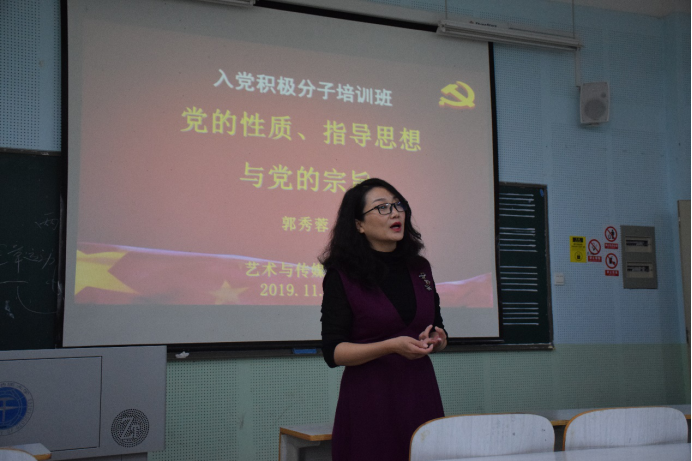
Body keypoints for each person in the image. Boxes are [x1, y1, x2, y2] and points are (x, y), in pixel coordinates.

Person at [319, 178, 447, 461]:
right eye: (382, 207)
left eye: (398, 205)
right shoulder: (343, 275)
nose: (395, 213)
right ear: (359, 225)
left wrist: (437, 340)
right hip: (370, 399)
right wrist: (389, 346)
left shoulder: (420, 268)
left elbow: (438, 329)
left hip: (420, 392)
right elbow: (334, 352)